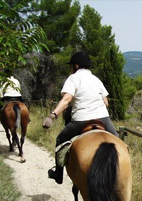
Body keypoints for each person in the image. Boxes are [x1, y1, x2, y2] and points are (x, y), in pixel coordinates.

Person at [42, 51, 119, 184]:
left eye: (71, 65)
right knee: (119, 142)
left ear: (76, 66)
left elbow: (66, 99)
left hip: (81, 119)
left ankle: (58, 174)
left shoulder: (73, 78)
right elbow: (106, 103)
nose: (70, 68)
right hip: (103, 118)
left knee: (60, 139)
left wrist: (53, 115)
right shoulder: (96, 79)